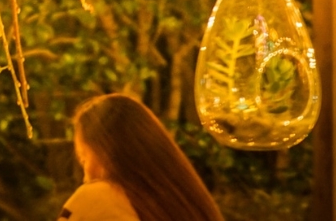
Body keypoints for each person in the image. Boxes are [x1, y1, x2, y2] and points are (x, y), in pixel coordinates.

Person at [59, 94, 225, 221]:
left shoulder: (97, 199)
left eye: (84, 159)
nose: (85, 177)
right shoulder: (190, 203)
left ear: (106, 153)